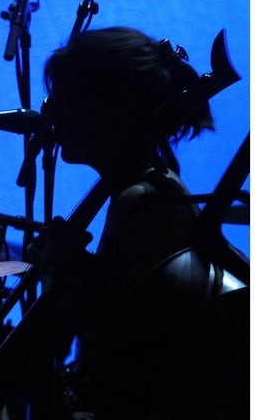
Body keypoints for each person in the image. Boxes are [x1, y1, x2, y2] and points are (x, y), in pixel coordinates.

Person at [33, 26, 246, 419]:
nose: (52, 113)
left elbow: (122, 355)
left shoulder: (143, 203)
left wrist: (65, 271)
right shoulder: (145, 192)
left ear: (108, 105)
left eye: (66, 98)